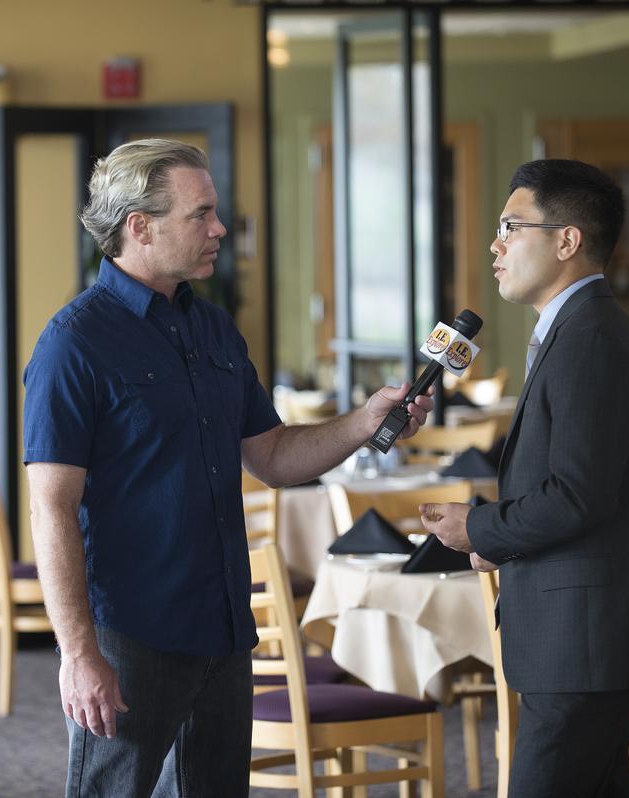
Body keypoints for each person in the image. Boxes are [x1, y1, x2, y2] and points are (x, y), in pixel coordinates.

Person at [22, 138, 433, 797]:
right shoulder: (74, 343)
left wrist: (363, 422)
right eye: (201, 214)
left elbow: (270, 456)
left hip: (222, 627)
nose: (219, 229)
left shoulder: (213, 330)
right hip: (130, 633)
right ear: (140, 226)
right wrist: (78, 654)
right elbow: (51, 507)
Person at [420, 159, 629, 798]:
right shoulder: (575, 330)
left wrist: (481, 528)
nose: (495, 245)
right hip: (581, 629)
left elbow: (579, 494)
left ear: (567, 240)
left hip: (587, 634)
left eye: (510, 226)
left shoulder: (590, 338)